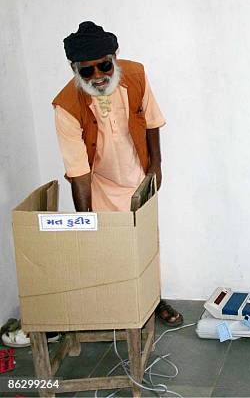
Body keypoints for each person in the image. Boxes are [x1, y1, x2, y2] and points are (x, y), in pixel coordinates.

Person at [52, 21, 182, 327]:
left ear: (114, 59)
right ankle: (116, 306)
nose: (98, 76)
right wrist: (84, 223)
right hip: (99, 184)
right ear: (75, 70)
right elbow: (78, 171)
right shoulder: (66, 106)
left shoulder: (135, 74)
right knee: (109, 250)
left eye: (104, 66)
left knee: (146, 245)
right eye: (87, 71)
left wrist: (156, 166)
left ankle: (153, 300)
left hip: (138, 177)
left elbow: (151, 121)